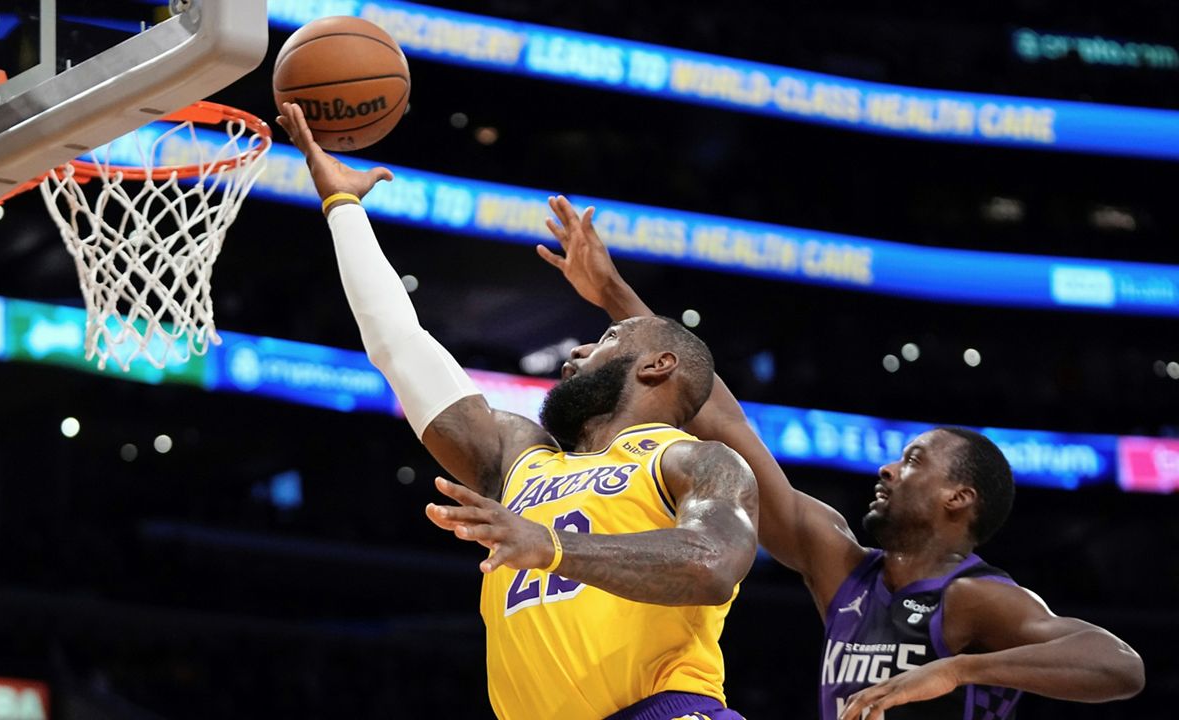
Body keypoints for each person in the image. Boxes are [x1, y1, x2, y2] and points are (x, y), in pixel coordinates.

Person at [539, 195, 1146, 720]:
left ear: (958, 498)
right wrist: (615, 295)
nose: (887, 468)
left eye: (912, 461)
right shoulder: (842, 568)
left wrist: (958, 672)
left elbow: (1119, 665)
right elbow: (728, 425)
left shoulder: (974, 596)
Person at [275, 103, 760, 720]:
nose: (574, 354)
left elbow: (712, 564)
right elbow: (399, 346)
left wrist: (550, 545)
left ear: (658, 366)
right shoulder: (518, 457)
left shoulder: (698, 461)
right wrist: (343, 210)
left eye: (605, 340)